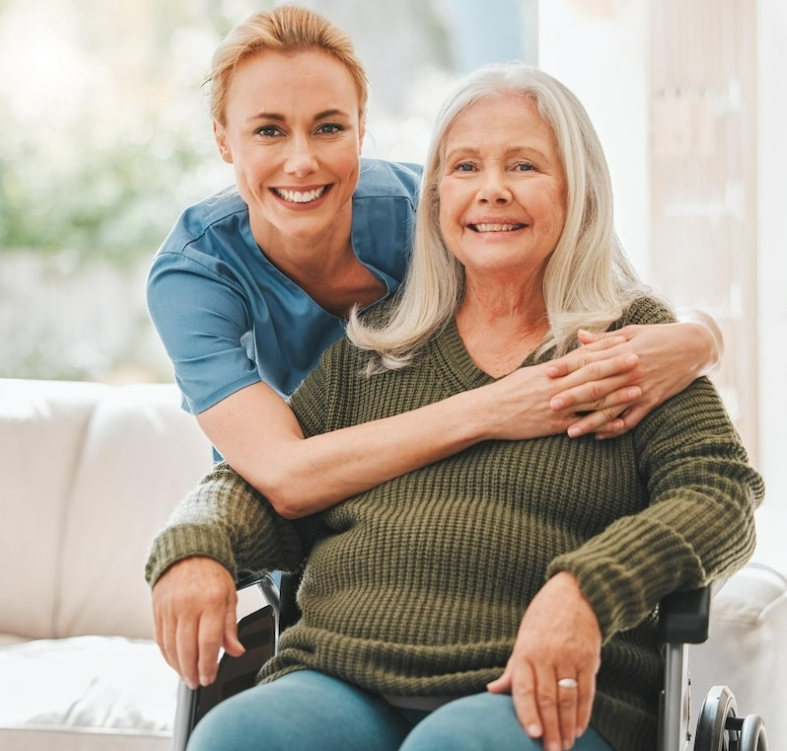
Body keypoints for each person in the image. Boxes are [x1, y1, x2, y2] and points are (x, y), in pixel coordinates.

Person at [147, 61, 764, 751]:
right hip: (340, 673)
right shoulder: (376, 345)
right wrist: (195, 545)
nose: (491, 190)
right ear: (437, 196)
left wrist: (586, 590)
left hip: (526, 687)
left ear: (579, 190)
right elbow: (260, 481)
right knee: (236, 735)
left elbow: (721, 494)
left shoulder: (626, 346)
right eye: (466, 167)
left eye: (524, 165)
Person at [145, 5, 723, 519]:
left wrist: (701, 337)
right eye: (268, 130)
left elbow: (600, 278)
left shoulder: (438, 210)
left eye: (329, 127)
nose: (301, 161)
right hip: (298, 526)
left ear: (361, 130)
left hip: (435, 499)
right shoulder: (195, 275)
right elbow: (285, 475)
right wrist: (498, 406)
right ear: (223, 140)